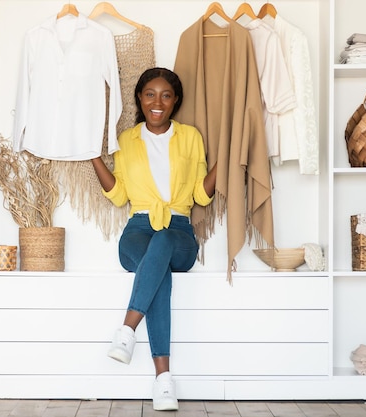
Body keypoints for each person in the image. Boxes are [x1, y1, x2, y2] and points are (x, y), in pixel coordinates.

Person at [91, 67, 217, 411]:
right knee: (157, 269)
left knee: (162, 242)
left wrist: (227, 164)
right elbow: (118, 195)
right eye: (150, 94)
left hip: (179, 231)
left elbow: (201, 196)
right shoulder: (127, 140)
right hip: (137, 230)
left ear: (176, 101)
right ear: (140, 99)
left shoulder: (190, 137)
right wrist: (92, 156)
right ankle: (164, 381)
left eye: (165, 95)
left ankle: (127, 331)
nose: (157, 102)